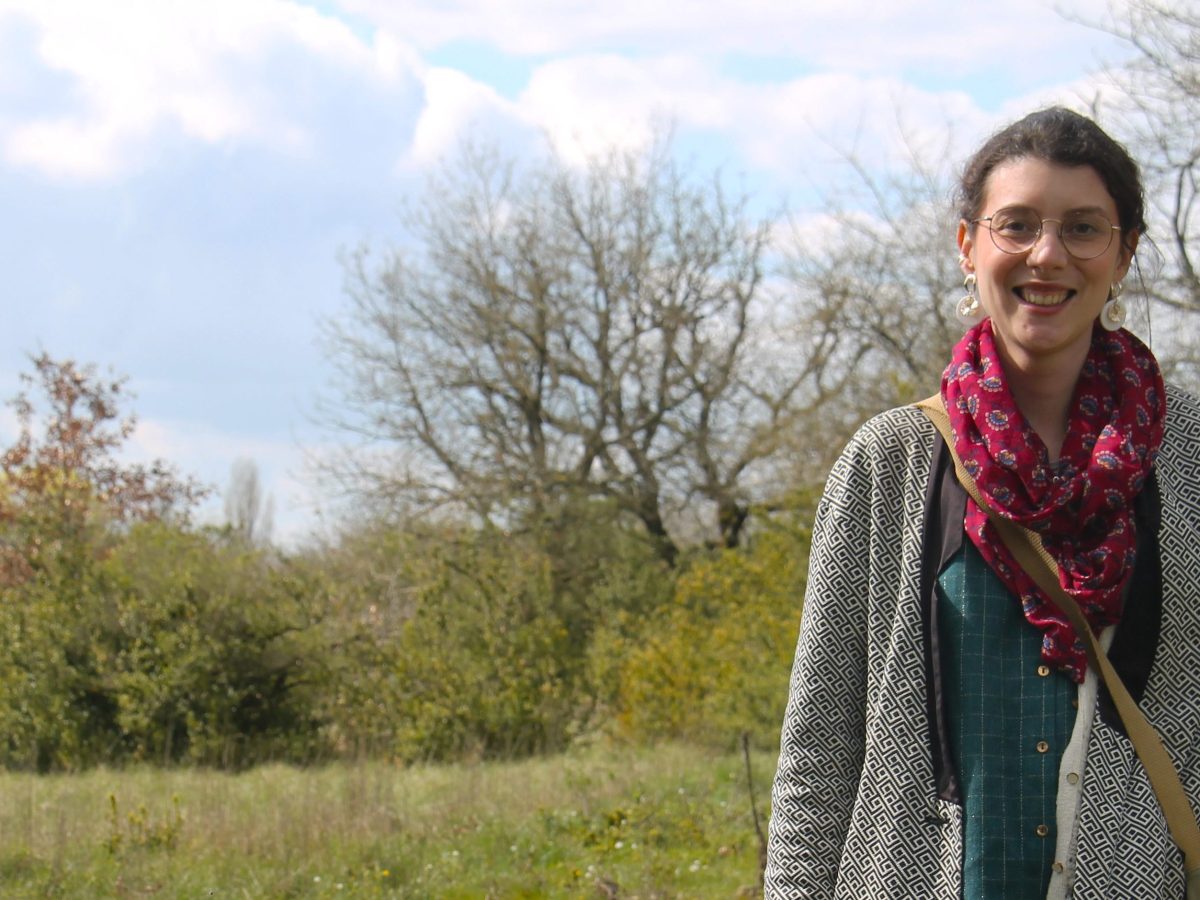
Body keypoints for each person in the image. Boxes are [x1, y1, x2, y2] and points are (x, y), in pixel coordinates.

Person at [765, 106, 1200, 899]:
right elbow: (819, 755)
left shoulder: (1190, 459)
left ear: (1125, 252)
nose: (1047, 254)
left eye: (1083, 228)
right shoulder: (888, 462)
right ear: (968, 245)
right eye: (1017, 225)